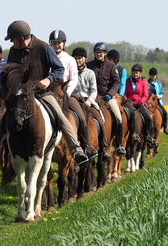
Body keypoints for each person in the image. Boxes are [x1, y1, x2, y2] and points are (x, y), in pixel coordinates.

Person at [0, 20, 89, 177]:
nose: (11, 42)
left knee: (60, 116)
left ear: (22, 38)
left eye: (12, 39)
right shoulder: (13, 51)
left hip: (41, 93)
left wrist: (48, 80)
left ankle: (76, 149)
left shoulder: (44, 47)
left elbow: (59, 69)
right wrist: (0, 96)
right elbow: (7, 78)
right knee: (1, 122)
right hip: (19, 96)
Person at [49, 30, 95, 158]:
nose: (56, 45)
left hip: (66, 93)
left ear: (63, 43)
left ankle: (85, 147)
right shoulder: (46, 58)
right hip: (49, 93)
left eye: (59, 43)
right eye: (54, 43)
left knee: (80, 114)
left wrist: (68, 92)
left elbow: (74, 78)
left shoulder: (69, 60)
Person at [86, 42, 126, 157]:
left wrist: (110, 94)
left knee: (118, 117)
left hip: (107, 97)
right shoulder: (89, 65)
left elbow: (116, 82)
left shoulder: (111, 66)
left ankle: (119, 145)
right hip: (92, 97)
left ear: (105, 53)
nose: (99, 54)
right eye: (97, 52)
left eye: (101, 52)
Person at [71, 46, 103, 158]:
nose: (77, 60)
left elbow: (94, 90)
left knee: (100, 119)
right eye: (75, 58)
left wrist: (89, 101)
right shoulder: (70, 72)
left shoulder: (90, 73)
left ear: (84, 59)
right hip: (74, 100)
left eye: (80, 58)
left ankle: (104, 145)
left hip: (87, 101)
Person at [124, 63, 157, 147]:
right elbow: (125, 93)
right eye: (134, 72)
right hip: (129, 103)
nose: (135, 74)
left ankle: (148, 135)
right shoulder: (128, 81)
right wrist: (127, 101)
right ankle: (131, 134)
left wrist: (141, 102)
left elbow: (145, 94)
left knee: (149, 118)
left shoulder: (143, 82)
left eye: (137, 73)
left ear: (140, 73)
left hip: (139, 103)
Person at [148, 67, 168, 134]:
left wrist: (159, 96)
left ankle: (165, 128)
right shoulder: (147, 83)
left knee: (165, 113)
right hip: (150, 102)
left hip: (158, 102)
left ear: (156, 76)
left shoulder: (159, 84)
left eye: (153, 76)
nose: (152, 77)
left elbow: (162, 93)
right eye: (151, 75)